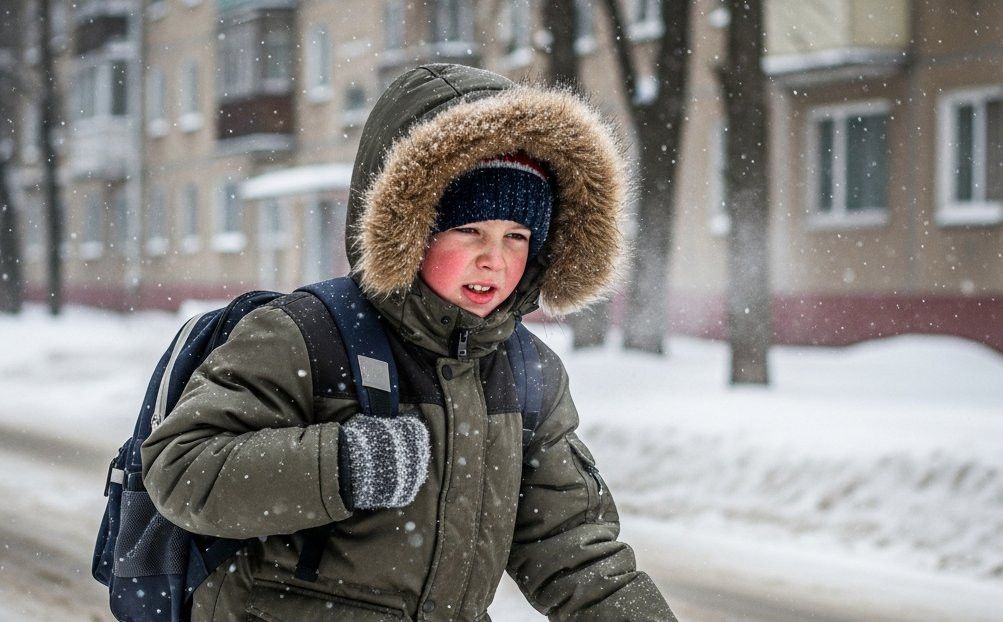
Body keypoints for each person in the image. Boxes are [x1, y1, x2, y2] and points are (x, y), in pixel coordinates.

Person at [142, 63, 676, 621]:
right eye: (470, 230)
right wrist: (343, 465)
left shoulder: (524, 370)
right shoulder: (308, 334)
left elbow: (571, 547)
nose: (493, 258)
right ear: (413, 228)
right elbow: (182, 470)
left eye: (516, 237)